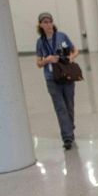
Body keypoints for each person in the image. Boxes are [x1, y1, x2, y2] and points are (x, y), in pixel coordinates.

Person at [35, 12, 79, 150]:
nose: (47, 24)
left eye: (49, 22)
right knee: (60, 108)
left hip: (66, 76)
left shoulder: (62, 36)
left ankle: (69, 127)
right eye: (44, 22)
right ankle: (67, 137)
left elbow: (75, 50)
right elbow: (38, 63)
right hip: (51, 79)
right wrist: (47, 59)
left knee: (69, 106)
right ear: (40, 25)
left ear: (53, 23)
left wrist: (71, 57)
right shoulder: (40, 42)